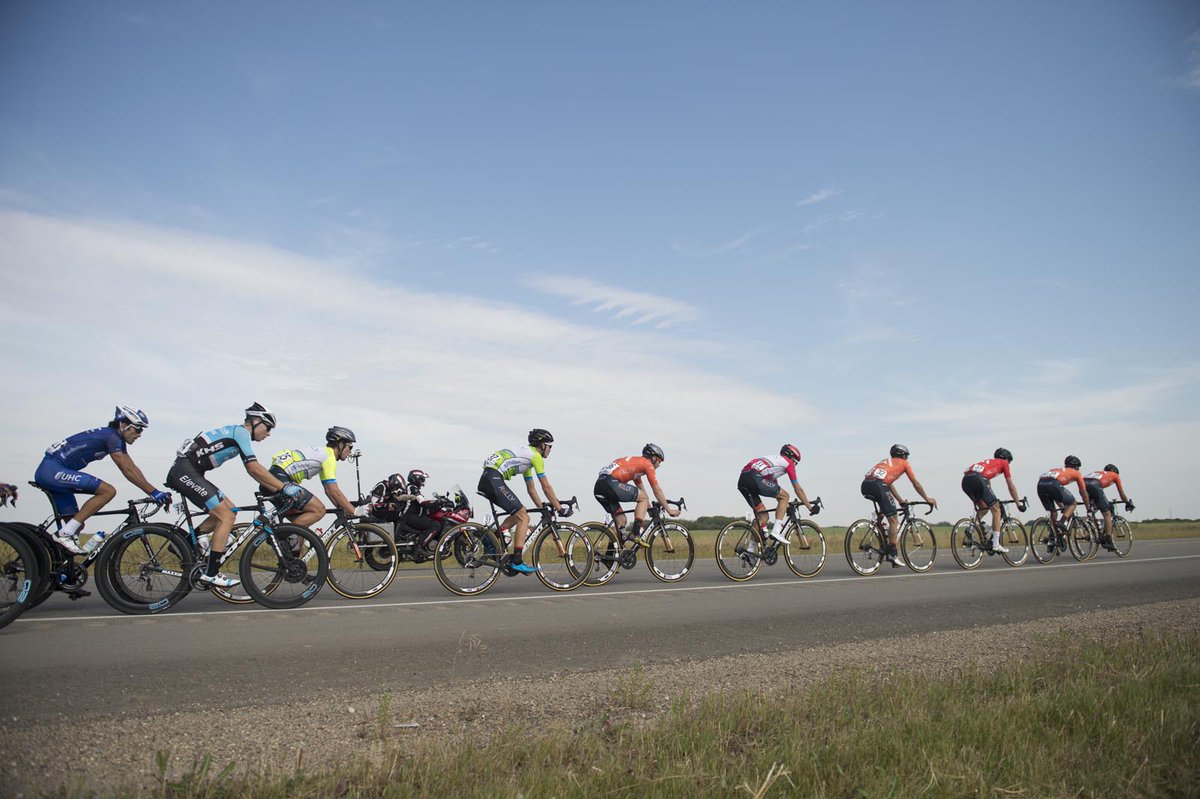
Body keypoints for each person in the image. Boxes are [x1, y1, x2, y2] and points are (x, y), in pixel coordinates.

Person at [165, 403, 296, 588]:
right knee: (225, 516)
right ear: (256, 421)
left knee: (230, 510)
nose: (268, 434)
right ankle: (210, 573)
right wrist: (284, 488)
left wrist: (277, 488)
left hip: (189, 470)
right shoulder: (241, 433)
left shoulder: (236, 432)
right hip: (186, 471)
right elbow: (253, 468)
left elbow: (254, 471)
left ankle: (184, 544)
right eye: (267, 428)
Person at [33, 405, 172, 554]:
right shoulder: (112, 437)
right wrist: (154, 492)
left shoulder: (114, 438)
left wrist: (154, 491)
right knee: (108, 491)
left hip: (54, 471)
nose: (139, 434)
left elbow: (132, 467)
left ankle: (61, 567)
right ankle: (63, 535)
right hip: (52, 470)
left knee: (76, 525)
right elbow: (127, 470)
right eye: (138, 429)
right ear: (124, 425)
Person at [478, 429, 566, 574]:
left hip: (488, 478)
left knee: (521, 512)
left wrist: (542, 508)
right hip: (493, 479)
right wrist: (560, 508)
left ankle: (494, 538)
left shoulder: (527, 458)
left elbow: (531, 489)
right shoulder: (535, 457)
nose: (550, 450)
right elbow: (546, 486)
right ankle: (517, 561)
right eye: (550, 446)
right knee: (524, 517)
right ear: (542, 445)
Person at [268, 426, 370, 527]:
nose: (350, 451)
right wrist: (354, 510)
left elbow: (328, 490)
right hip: (280, 479)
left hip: (274, 477)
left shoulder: (322, 454)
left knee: (304, 523)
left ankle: (285, 540)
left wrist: (342, 507)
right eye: (350, 446)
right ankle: (283, 535)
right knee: (319, 510)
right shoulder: (329, 458)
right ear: (341, 444)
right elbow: (333, 491)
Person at [860, 444, 938, 567]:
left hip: (865, 485)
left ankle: (881, 538)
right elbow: (915, 483)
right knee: (893, 519)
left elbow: (888, 484)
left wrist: (900, 500)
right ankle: (892, 553)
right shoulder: (904, 463)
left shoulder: (885, 462)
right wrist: (927, 498)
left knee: (884, 513)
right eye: (906, 457)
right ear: (902, 455)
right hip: (879, 486)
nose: (906, 459)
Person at [593, 443, 681, 544]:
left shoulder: (636, 467)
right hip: (610, 483)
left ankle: (609, 558)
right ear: (653, 458)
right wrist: (669, 510)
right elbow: (657, 490)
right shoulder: (647, 464)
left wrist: (649, 509)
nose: (659, 465)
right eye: (659, 461)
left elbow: (642, 492)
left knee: (621, 521)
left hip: (599, 486)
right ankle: (635, 533)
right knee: (643, 498)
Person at [737, 444, 814, 543]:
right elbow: (797, 489)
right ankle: (776, 531)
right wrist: (810, 507)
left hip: (743, 479)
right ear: (791, 457)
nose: (794, 465)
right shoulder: (788, 463)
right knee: (785, 496)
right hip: (754, 477)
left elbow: (777, 493)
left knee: (763, 516)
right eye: (795, 462)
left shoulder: (773, 462)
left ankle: (751, 551)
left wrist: (785, 507)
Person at [961, 448, 1026, 553]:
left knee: (984, 508)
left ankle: (971, 528)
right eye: (1009, 462)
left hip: (966, 480)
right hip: (978, 480)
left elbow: (987, 485)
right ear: (1006, 458)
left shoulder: (988, 464)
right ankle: (996, 544)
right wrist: (1018, 503)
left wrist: (992, 499)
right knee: (996, 510)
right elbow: (1011, 486)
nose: (1008, 464)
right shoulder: (1004, 462)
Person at [1036, 455, 1090, 535]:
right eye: (1078, 467)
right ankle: (1061, 522)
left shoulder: (1057, 470)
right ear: (1075, 466)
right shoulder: (1076, 473)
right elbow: (1083, 491)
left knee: (1053, 512)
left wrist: (1061, 506)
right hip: (1053, 484)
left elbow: (1055, 494)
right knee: (1072, 503)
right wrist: (1088, 507)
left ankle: (1053, 536)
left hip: (1040, 484)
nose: (1078, 469)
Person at [1084, 464, 1132, 550]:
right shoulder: (1115, 475)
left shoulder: (1099, 473)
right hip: (1095, 485)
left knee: (1094, 507)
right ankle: (1108, 539)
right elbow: (1122, 494)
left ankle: (1088, 524)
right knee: (1107, 513)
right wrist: (1127, 502)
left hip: (1084, 483)